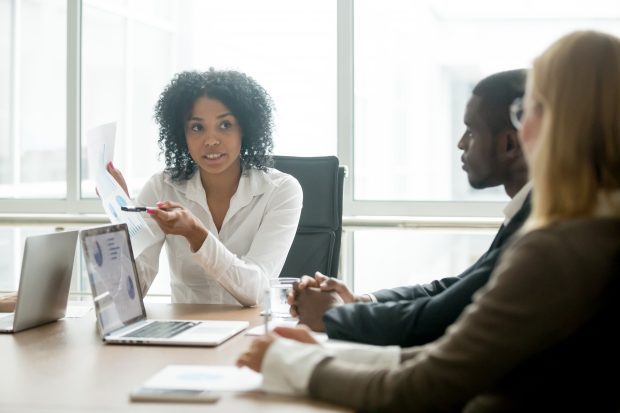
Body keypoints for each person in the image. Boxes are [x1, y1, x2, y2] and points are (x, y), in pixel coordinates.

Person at [238, 30, 620, 411]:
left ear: (557, 123)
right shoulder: (593, 230)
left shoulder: (558, 248)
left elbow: (421, 388)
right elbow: (462, 356)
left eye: (527, 111)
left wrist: (289, 361)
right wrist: (332, 354)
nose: (523, 129)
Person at [290, 69, 531, 347]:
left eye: (471, 131)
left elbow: (438, 319)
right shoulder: (524, 211)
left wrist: (337, 315)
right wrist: (362, 301)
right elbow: (453, 290)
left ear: (510, 143)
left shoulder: (536, 225)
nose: (461, 143)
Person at [107, 69, 302, 306]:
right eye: (197, 128)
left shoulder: (280, 191)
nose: (211, 140)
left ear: (245, 129)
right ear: (182, 134)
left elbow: (257, 290)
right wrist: (124, 216)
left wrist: (196, 234)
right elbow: (129, 293)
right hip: (185, 332)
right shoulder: (161, 187)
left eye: (225, 125)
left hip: (252, 332)